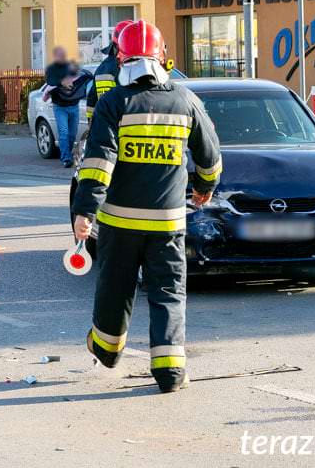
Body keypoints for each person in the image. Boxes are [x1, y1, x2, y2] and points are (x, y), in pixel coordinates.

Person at [72, 20, 222, 394]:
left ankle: (106, 351)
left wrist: (85, 211)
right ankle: (171, 372)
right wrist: (204, 188)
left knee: (114, 289)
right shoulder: (186, 100)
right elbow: (211, 157)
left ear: (121, 59)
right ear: (163, 58)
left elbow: (99, 160)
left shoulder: (113, 103)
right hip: (168, 226)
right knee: (168, 294)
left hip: (119, 224)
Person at [45, 47, 87, 167]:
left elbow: (80, 75)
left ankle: (67, 153)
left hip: (74, 105)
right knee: (64, 132)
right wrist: (61, 82)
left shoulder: (69, 67)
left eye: (63, 55)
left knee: (72, 134)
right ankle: (66, 158)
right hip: (60, 106)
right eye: (59, 55)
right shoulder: (51, 69)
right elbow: (50, 80)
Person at [85, 20, 133, 120]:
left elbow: (91, 98)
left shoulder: (101, 68)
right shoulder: (125, 67)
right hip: (123, 124)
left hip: (104, 123)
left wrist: (91, 122)